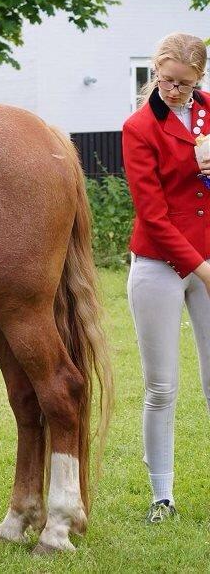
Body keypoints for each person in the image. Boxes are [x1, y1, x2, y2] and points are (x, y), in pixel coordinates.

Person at [123, 32, 210, 524]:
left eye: (182, 83)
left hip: (209, 257)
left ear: (198, 78)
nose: (172, 90)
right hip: (160, 263)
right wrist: (200, 268)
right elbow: (153, 215)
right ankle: (162, 495)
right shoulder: (139, 126)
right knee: (162, 387)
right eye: (164, 79)